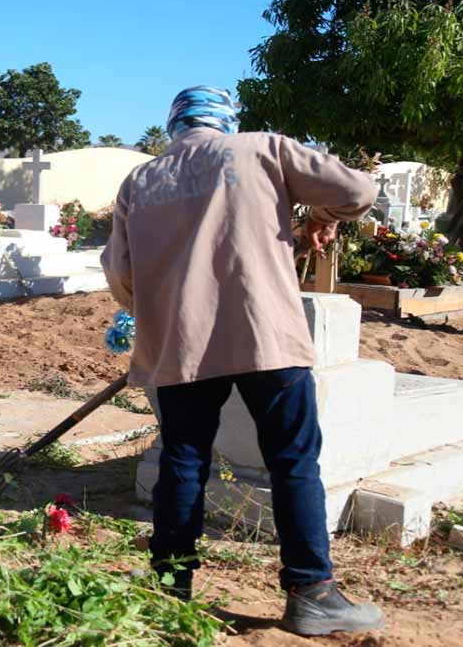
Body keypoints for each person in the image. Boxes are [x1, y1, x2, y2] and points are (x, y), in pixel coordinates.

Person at [101, 86, 384, 636]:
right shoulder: (262, 150)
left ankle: (169, 586)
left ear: (175, 125)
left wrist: (160, 310)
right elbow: (357, 190)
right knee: (292, 461)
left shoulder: (141, 180)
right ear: (225, 121)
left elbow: (120, 271)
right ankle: (312, 593)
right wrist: (319, 217)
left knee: (182, 460)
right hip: (264, 336)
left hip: (183, 345)